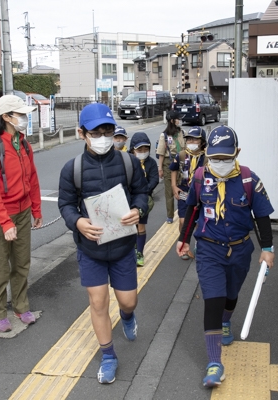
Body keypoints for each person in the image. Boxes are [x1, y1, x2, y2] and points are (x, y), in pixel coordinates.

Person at [175, 125, 275, 388]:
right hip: (208, 248)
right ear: (208, 153)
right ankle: (214, 363)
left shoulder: (248, 180)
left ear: (237, 152)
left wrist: (268, 249)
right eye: (215, 158)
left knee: (231, 294)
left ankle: (227, 321)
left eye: (226, 158)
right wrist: (183, 239)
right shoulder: (199, 178)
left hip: (241, 249)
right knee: (214, 299)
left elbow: (262, 217)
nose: (219, 163)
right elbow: (192, 209)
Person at [58, 103, 148, 384]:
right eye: (95, 132)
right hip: (91, 249)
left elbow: (141, 193)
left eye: (108, 130)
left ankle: (127, 315)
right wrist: (78, 222)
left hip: (122, 247)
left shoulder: (128, 162)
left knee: (128, 301)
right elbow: (65, 204)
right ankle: (108, 355)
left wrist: (139, 209)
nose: (103, 137)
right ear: (81, 133)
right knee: (98, 302)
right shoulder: (72, 169)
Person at [0, 95, 43, 333]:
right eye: (20, 114)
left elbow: (32, 178)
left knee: (22, 263)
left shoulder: (23, 143)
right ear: (6, 117)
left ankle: (20, 305)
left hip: (23, 211)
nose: (24, 118)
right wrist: (5, 222)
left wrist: (36, 208)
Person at [169, 126, 206, 259]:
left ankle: (196, 244)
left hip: (200, 193)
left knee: (197, 221)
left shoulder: (206, 157)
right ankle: (183, 243)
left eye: (195, 140)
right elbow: (173, 170)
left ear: (202, 142)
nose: (191, 142)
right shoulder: (182, 155)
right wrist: (174, 186)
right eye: (189, 139)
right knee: (184, 220)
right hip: (184, 191)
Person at [129, 131, 159, 267]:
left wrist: (143, 191)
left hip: (144, 200)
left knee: (140, 226)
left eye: (145, 149)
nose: (143, 152)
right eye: (139, 149)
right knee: (129, 226)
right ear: (132, 149)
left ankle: (139, 252)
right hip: (128, 198)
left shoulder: (151, 163)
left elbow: (154, 179)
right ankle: (130, 251)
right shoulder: (127, 161)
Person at [156, 110, 186, 224]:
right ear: (172, 121)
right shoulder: (163, 135)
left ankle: (182, 211)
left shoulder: (182, 132)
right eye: (178, 119)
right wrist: (160, 168)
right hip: (168, 163)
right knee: (169, 191)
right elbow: (161, 153)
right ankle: (170, 215)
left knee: (182, 187)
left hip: (182, 162)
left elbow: (185, 148)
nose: (180, 121)